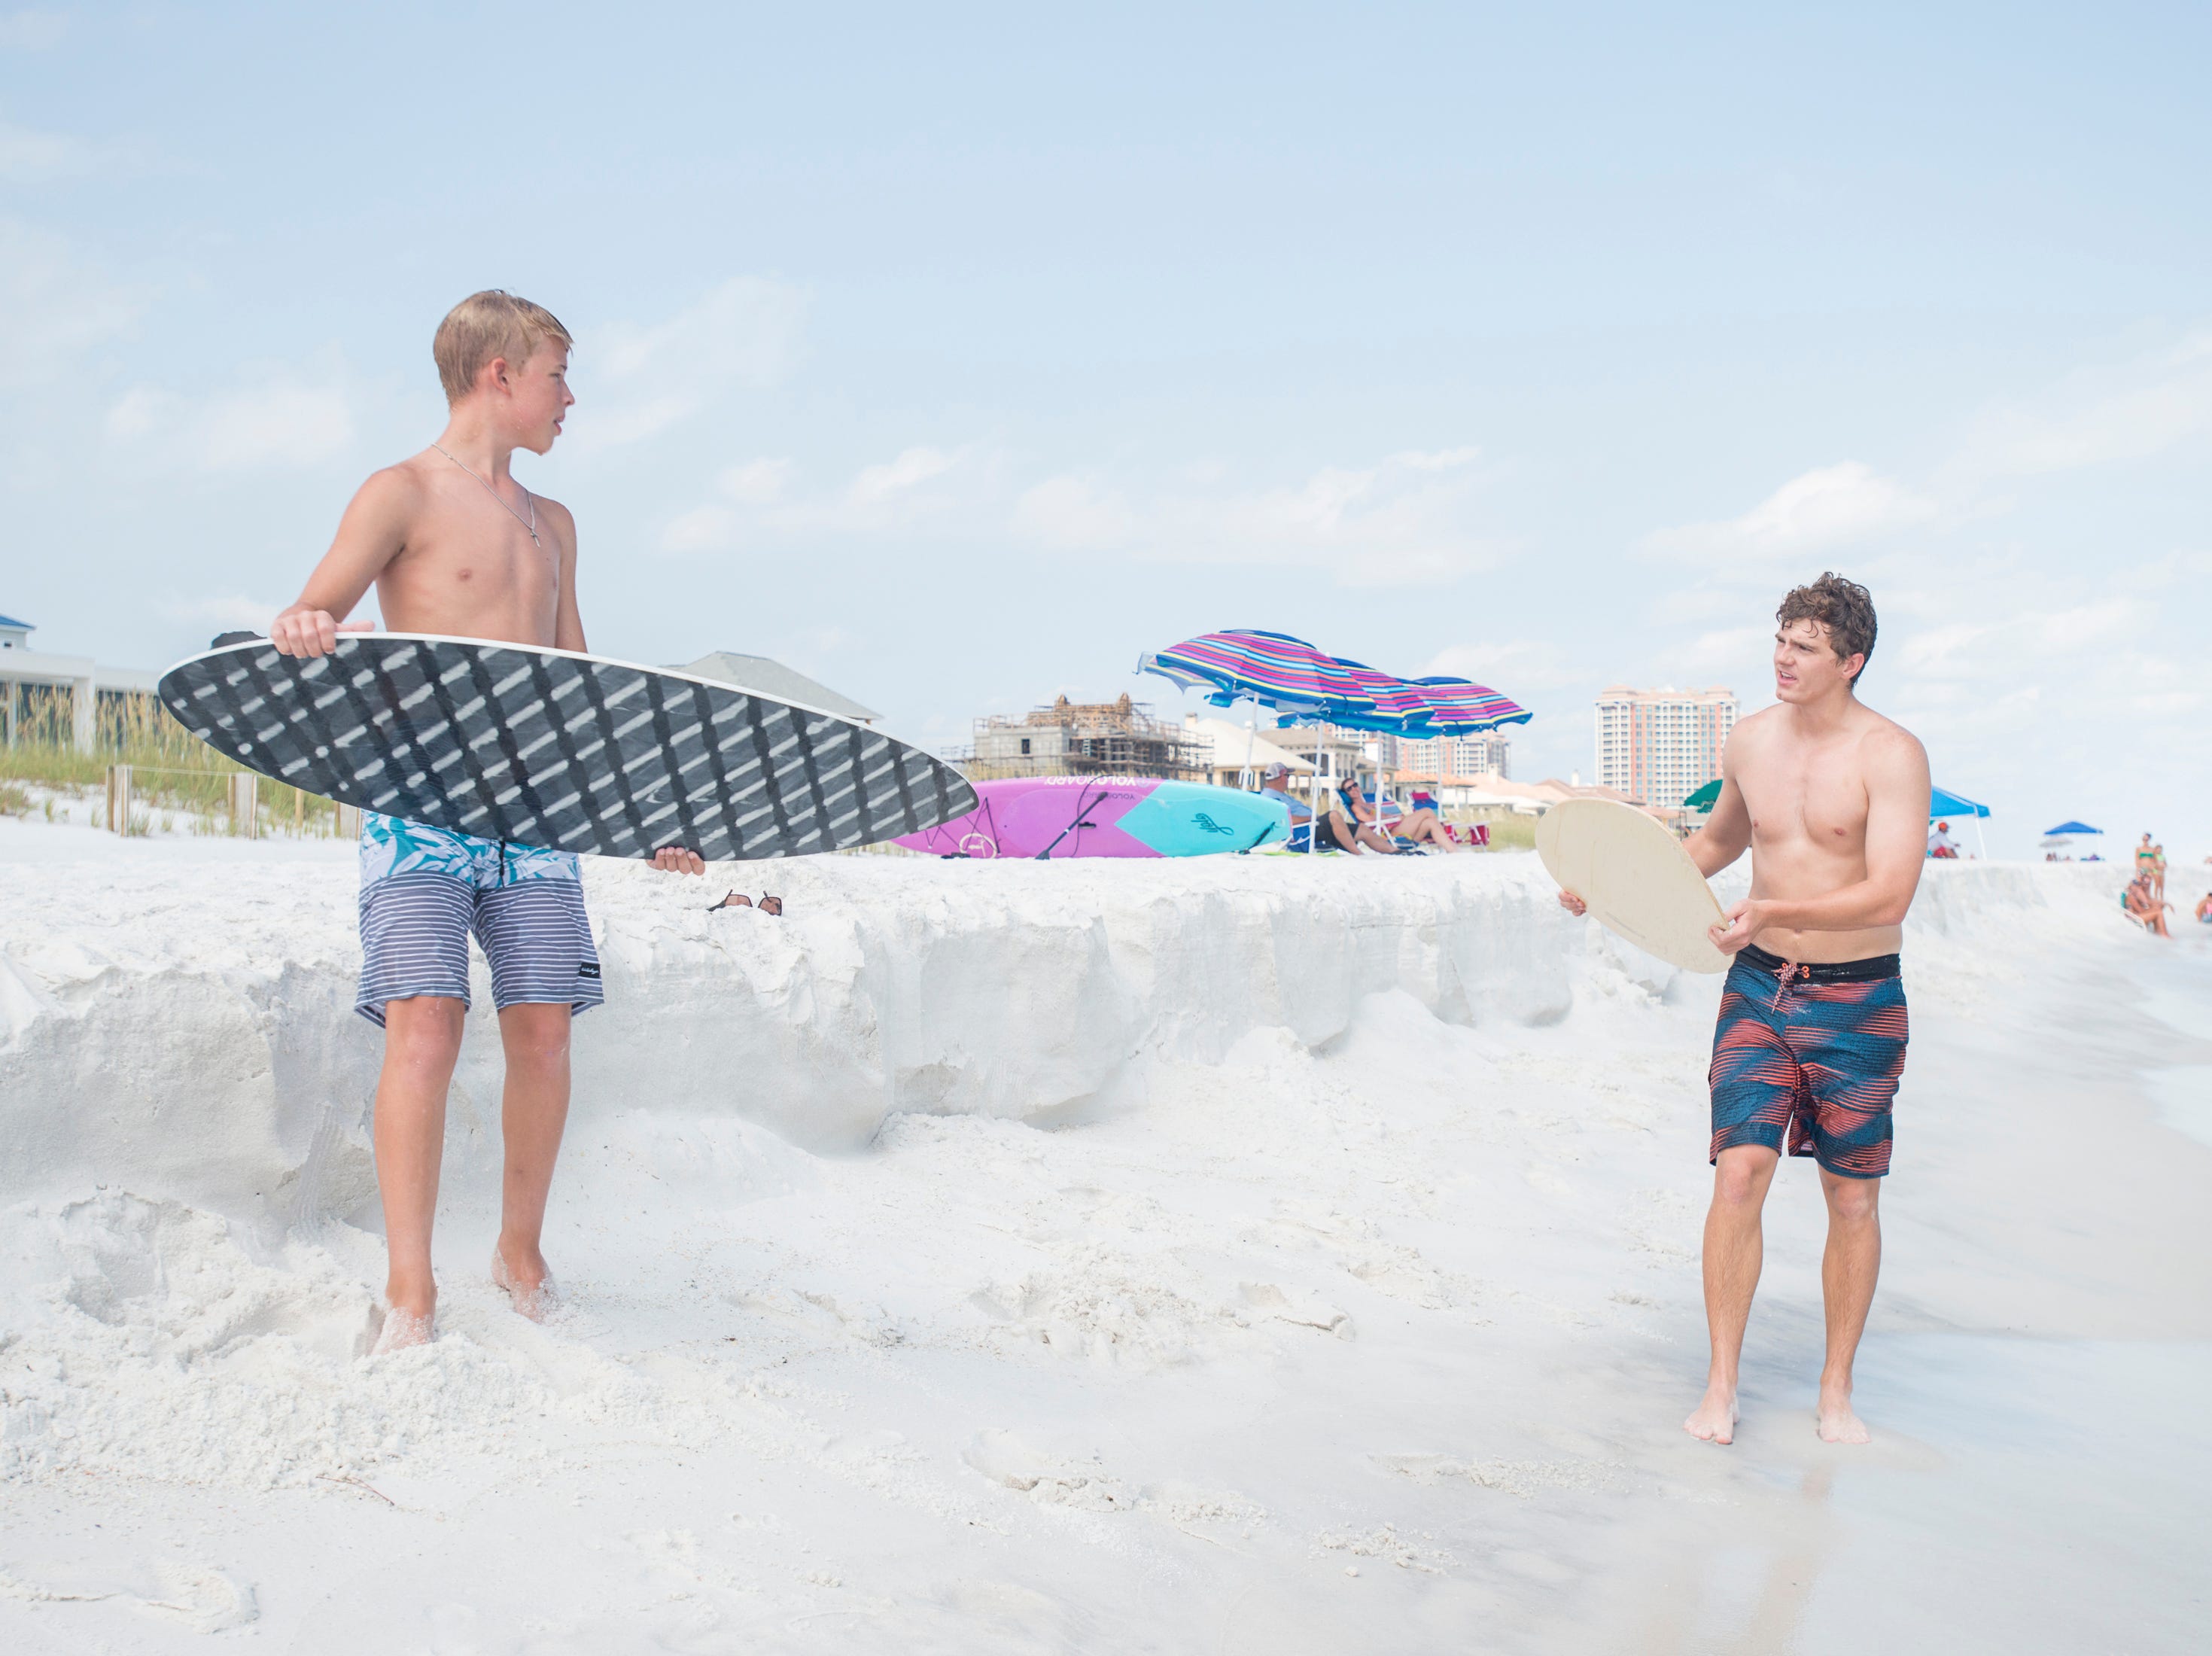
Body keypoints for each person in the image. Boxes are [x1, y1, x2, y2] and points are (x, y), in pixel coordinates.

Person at [267, 291, 704, 1352]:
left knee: (544, 1032)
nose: (571, 396)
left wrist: (643, 814)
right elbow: (316, 611)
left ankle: (520, 1251)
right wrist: (303, 622)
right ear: (496, 375)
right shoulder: (401, 492)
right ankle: (409, 1289)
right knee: (426, 1025)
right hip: (421, 805)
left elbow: (580, 686)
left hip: (537, 811)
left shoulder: (552, 523)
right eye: (558, 373)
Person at [1556, 572, 1929, 1447]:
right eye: (1778, 640)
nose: (1781, 659)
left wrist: (1776, 910)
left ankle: (1834, 1390)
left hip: (1858, 997)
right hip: (1759, 985)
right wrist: (1610, 885)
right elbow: (1718, 843)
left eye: (1802, 647)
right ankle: (1719, 1384)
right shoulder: (1749, 741)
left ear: (1851, 661)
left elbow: (1889, 893)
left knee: (1850, 1201)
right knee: (1738, 1172)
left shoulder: (1891, 754)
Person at [1259, 763, 1392, 853]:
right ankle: (1357, 853)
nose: (1289, 779)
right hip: (1304, 832)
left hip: (1313, 826)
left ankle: (1394, 851)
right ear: (1281, 778)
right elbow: (1284, 820)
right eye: (1288, 776)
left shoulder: (1281, 796)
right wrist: (1311, 818)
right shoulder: (1269, 798)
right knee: (1333, 815)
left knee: (1362, 829)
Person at [1338, 777, 1468, 852]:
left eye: (1354, 785)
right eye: (1349, 789)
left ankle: (1454, 851)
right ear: (1347, 794)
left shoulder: (1369, 804)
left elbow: (1379, 816)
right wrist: (1392, 817)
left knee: (1430, 822)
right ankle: (1444, 831)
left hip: (1397, 830)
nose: (1354, 789)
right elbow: (1368, 820)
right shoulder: (1356, 807)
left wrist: (1393, 818)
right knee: (1427, 811)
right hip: (1388, 835)